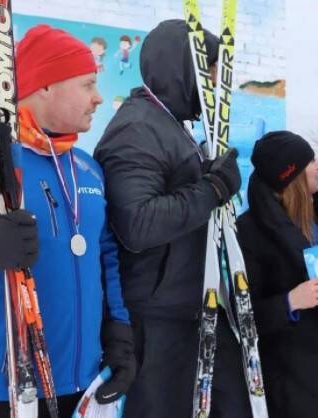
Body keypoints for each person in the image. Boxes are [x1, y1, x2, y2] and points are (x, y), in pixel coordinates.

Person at [0, 25, 135, 417]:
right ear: (46, 85)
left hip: (85, 389)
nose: (98, 98)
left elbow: (105, 258)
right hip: (1, 391)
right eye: (88, 84)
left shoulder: (88, 169)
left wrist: (119, 335)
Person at [93, 19, 249, 418]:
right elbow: (138, 224)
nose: (216, 86)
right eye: (210, 74)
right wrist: (210, 189)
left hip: (185, 304)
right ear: (185, 70)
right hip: (155, 314)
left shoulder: (169, 126)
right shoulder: (137, 128)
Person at [236, 130, 318, 418]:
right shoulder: (250, 231)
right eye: (311, 161)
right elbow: (245, 315)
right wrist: (291, 301)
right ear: (291, 175)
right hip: (291, 377)